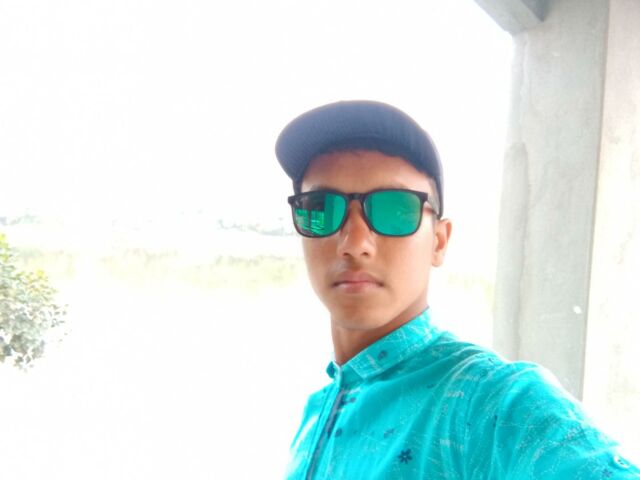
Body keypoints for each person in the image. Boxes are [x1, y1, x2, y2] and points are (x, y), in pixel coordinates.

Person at [274, 100, 639, 479]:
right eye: (321, 208)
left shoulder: (488, 403)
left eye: (395, 210)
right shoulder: (316, 410)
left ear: (439, 241)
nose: (354, 243)